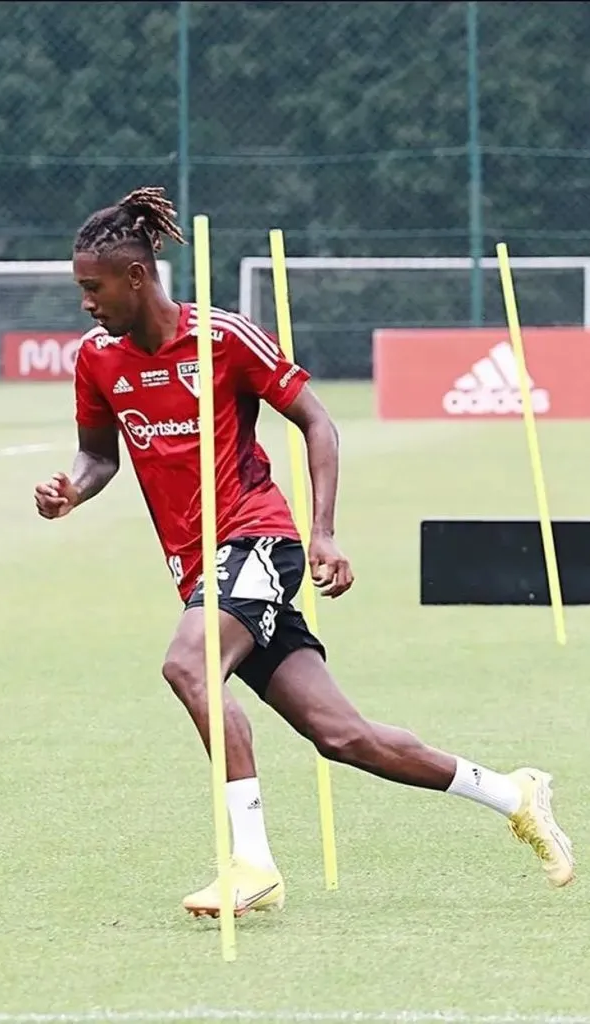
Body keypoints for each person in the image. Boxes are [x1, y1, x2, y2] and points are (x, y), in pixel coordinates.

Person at [34, 185, 575, 918]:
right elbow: (99, 455)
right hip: (200, 572)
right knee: (342, 737)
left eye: (92, 288)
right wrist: (71, 489)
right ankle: (512, 794)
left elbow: (318, 423)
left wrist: (322, 531)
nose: (85, 303)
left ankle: (252, 864)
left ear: (136, 277)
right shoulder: (97, 360)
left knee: (188, 665)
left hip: (258, 540)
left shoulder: (224, 338)